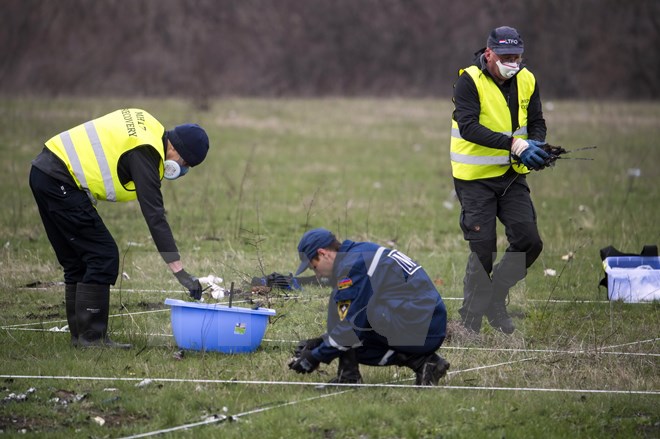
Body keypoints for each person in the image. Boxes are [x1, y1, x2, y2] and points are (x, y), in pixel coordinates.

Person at [29, 108, 210, 348]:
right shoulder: (147, 154)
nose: (182, 169)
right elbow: (155, 216)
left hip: (43, 171)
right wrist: (180, 272)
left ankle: (80, 336)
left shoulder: (148, 125)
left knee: (77, 260)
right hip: (60, 180)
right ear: (175, 148)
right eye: (185, 163)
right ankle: (93, 339)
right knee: (103, 255)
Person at [450, 26, 549, 335]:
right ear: (489, 53)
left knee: (529, 241)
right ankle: (470, 321)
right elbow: (468, 127)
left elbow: (537, 122)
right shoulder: (468, 80)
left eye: (517, 57)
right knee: (483, 249)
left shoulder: (527, 79)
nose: (513, 63)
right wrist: (515, 145)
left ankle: (495, 297)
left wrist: (537, 144)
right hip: (474, 178)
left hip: (511, 177)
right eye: (506, 57)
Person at [288, 228, 449, 386]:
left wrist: (315, 356)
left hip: (423, 327)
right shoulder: (358, 253)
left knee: (353, 329)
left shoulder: (353, 266)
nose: (317, 274)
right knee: (350, 321)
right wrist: (319, 342)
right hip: (425, 320)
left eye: (314, 267)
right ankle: (425, 364)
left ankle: (351, 377)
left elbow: (349, 329)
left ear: (323, 253)